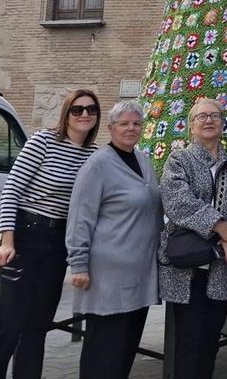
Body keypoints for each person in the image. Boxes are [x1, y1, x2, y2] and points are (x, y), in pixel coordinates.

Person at [0, 89, 101, 379]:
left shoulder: (94, 155)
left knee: (38, 326)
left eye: (91, 109)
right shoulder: (43, 141)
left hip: (58, 243)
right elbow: (11, 190)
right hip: (27, 234)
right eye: (77, 109)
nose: (85, 114)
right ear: (66, 113)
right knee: (9, 326)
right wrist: (7, 241)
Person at [65, 100, 162, 379]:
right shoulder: (98, 165)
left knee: (125, 349)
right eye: (124, 123)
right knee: (104, 351)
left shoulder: (142, 160)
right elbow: (80, 218)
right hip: (108, 276)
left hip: (139, 273)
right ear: (110, 128)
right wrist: (79, 264)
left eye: (136, 123)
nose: (131, 128)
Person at [159, 98, 227, 379]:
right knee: (188, 342)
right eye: (202, 116)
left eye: (215, 116)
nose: (209, 121)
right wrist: (218, 226)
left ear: (223, 123)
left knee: (210, 341)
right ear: (191, 125)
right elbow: (177, 201)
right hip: (188, 268)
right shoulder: (179, 160)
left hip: (222, 265)